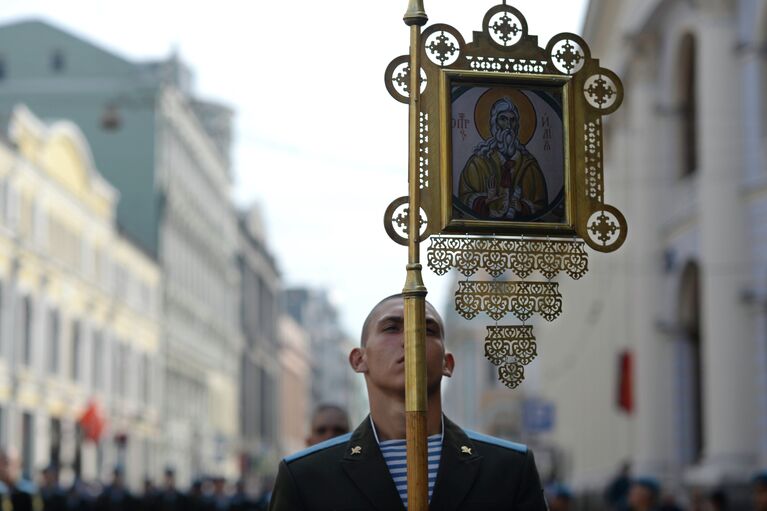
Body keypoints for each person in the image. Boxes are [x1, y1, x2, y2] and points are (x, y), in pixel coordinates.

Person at [269, 294, 548, 510]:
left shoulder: (508, 469)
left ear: (447, 363)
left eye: (427, 330)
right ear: (358, 359)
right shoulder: (306, 477)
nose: (411, 339)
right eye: (392, 328)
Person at [458, 97, 547, 220]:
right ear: (494, 124)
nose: (508, 126)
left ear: (517, 126)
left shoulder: (529, 165)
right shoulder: (478, 163)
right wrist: (485, 200)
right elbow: (463, 198)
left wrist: (522, 207)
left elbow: (541, 205)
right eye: (503, 119)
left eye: (512, 120)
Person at [0, 447, 42, 511]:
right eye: (2, 463)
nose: (5, 468)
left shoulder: (29, 492)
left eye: (7, 463)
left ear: (19, 464)